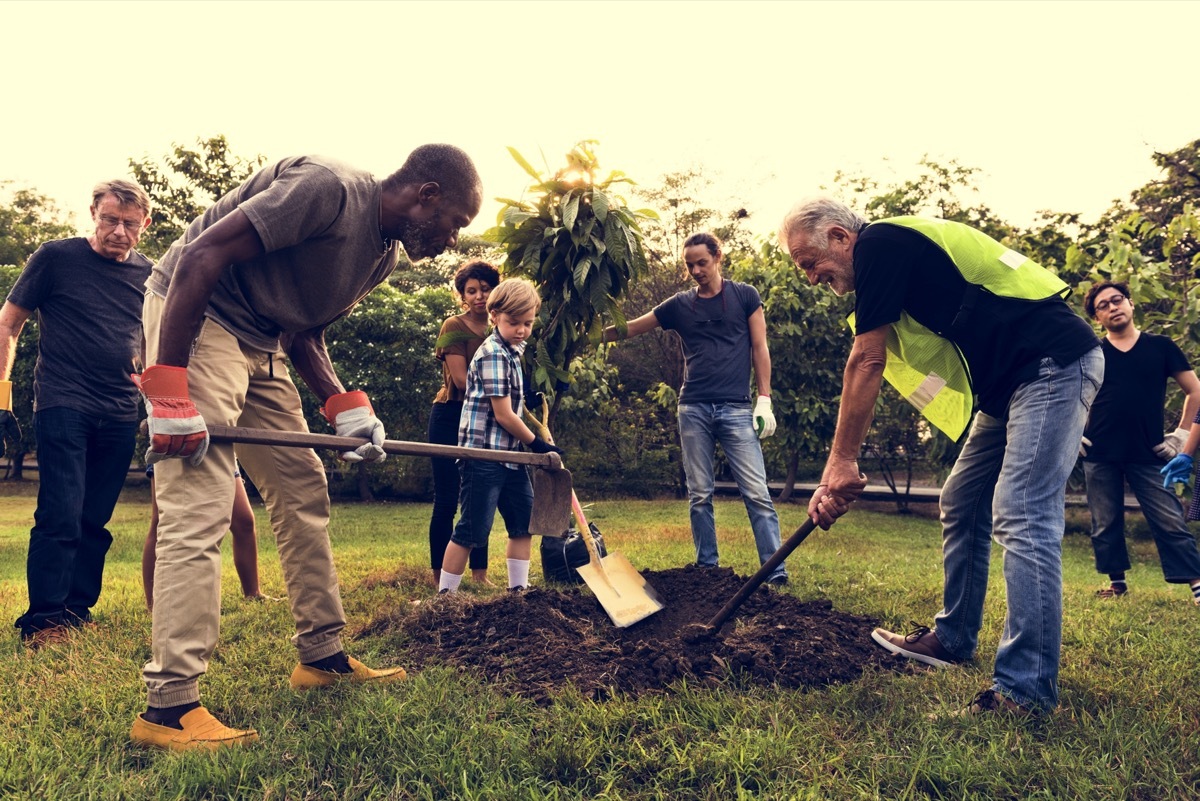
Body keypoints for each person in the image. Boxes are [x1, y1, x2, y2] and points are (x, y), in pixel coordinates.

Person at [128, 146, 483, 751]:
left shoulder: (383, 257)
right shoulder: (330, 190)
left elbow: (302, 329)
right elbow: (201, 253)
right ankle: (168, 707)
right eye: (455, 222)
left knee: (302, 488)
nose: (452, 241)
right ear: (426, 194)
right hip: (199, 316)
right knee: (201, 500)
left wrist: (345, 407)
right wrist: (169, 387)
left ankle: (321, 657)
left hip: (263, 340)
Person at [781, 197, 1102, 717]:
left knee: (1022, 512)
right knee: (962, 499)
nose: (811, 277)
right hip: (1011, 387)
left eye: (808, 262)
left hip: (1050, 364)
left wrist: (840, 461)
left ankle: (1025, 691)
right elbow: (873, 353)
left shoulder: (880, 243)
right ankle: (952, 640)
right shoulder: (889, 269)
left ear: (841, 237)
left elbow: (866, 358)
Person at [3, 180, 153, 649]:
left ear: (144, 226)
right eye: (110, 220)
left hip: (120, 409)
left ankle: (75, 610)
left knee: (94, 519)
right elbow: (9, 321)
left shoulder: (150, 274)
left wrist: (153, 388)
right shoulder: (56, 257)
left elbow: (151, 338)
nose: (119, 232)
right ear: (93, 213)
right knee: (61, 512)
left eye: (130, 224)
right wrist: (0, 394)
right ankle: (43, 620)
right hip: (63, 401)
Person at [601, 232, 786, 584]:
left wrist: (765, 399)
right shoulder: (679, 305)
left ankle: (774, 572)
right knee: (700, 493)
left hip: (735, 408)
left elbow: (760, 348)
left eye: (702, 262)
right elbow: (633, 328)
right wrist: (591, 334)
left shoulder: (745, 296)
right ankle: (707, 569)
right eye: (689, 265)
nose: (696, 270)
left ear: (718, 257)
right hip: (694, 409)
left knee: (757, 493)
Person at [1078, 281, 1200, 605]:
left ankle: (1197, 584)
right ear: (1097, 318)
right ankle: (1116, 583)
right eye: (1103, 305)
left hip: (1150, 452)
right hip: (1099, 452)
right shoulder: (1093, 353)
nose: (1112, 307)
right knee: (1105, 522)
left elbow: (1195, 391)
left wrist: (1182, 435)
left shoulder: (1161, 346)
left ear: (1131, 304)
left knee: (1170, 518)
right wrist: (1072, 431)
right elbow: (1070, 393)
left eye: (1117, 300)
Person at [437, 278, 562, 595]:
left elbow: (511, 404)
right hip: (484, 456)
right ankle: (445, 596)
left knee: (523, 523)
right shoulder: (493, 353)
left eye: (528, 323)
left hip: (510, 457)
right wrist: (536, 444)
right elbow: (504, 414)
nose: (521, 330)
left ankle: (517, 592)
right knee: (471, 529)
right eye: (513, 323)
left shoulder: (512, 352)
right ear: (494, 316)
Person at [427, 260, 500, 587]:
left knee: (480, 495)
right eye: (472, 291)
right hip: (450, 415)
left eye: (485, 289)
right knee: (447, 498)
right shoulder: (453, 326)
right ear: (462, 296)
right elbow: (461, 379)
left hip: (487, 418)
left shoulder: (502, 328)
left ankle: (480, 575)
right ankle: (438, 575)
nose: (479, 296)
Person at [142, 460, 269, 610]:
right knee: (160, 521)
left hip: (220, 450)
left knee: (244, 521)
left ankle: (253, 594)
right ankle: (153, 605)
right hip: (174, 447)